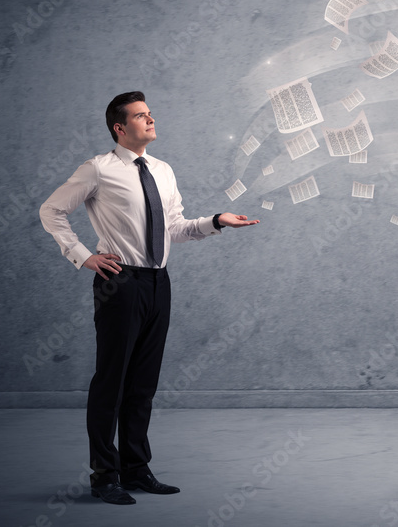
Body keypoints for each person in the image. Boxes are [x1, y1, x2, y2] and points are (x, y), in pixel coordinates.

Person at [39, 91, 259, 505]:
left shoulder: (162, 169)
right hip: (119, 282)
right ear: (120, 128)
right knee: (112, 381)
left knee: (143, 384)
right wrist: (83, 256)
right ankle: (105, 476)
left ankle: (136, 469)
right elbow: (51, 210)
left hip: (159, 282)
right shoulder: (97, 170)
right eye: (141, 116)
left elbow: (174, 227)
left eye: (150, 113)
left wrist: (217, 221)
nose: (151, 119)